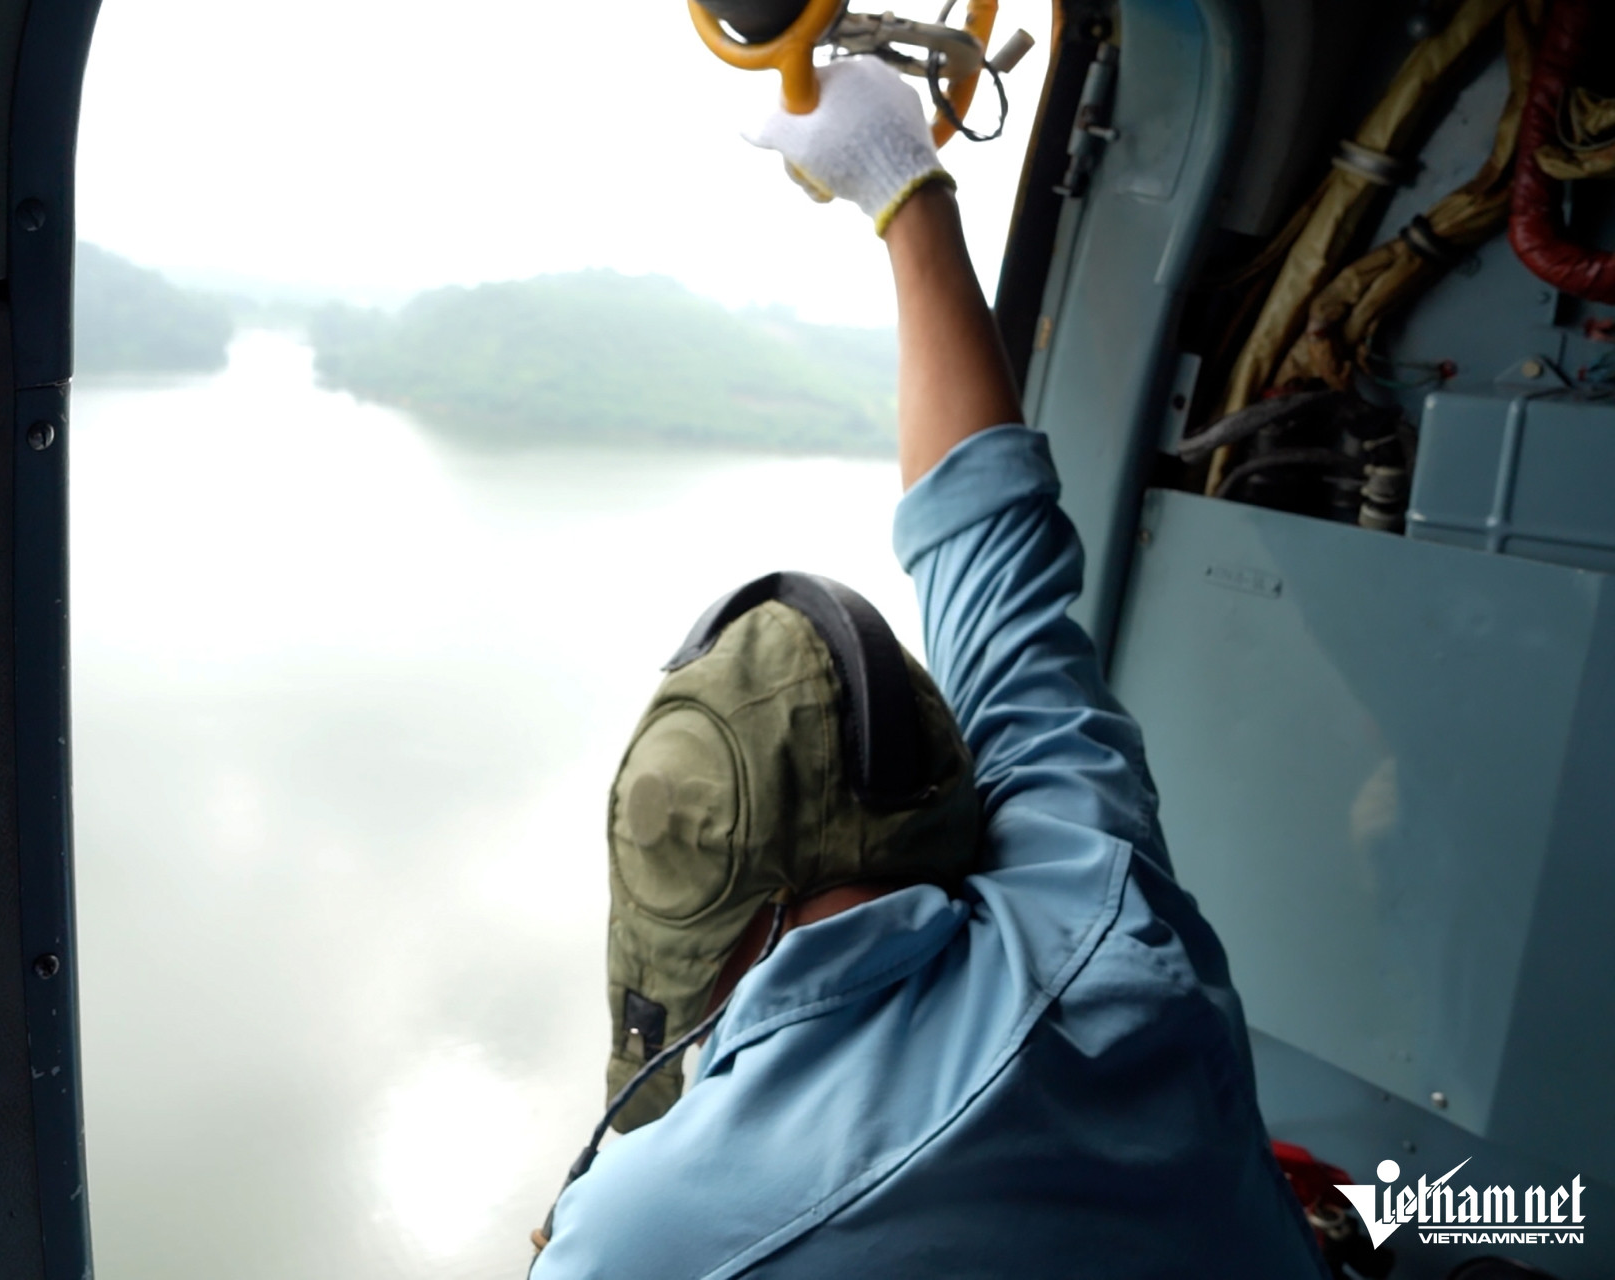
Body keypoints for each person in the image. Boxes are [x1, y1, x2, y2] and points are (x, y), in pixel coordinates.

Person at [529, 56, 1330, 1278]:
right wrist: (904, 187)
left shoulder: (649, 1233)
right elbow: (999, 576)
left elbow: (994, 565)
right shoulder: (1099, 904)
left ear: (737, 923)